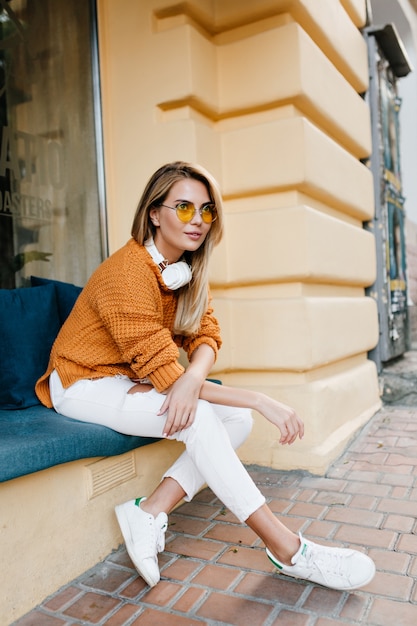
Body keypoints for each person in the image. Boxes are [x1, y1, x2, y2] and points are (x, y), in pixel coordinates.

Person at [36, 161, 375, 592]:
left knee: (235, 420)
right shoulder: (127, 273)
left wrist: (195, 376)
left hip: (128, 376)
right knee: (205, 417)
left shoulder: (185, 272)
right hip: (82, 382)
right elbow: (163, 372)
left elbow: (206, 334)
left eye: (206, 210)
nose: (197, 220)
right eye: (183, 207)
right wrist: (257, 397)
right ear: (154, 214)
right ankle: (289, 549)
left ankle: (149, 512)